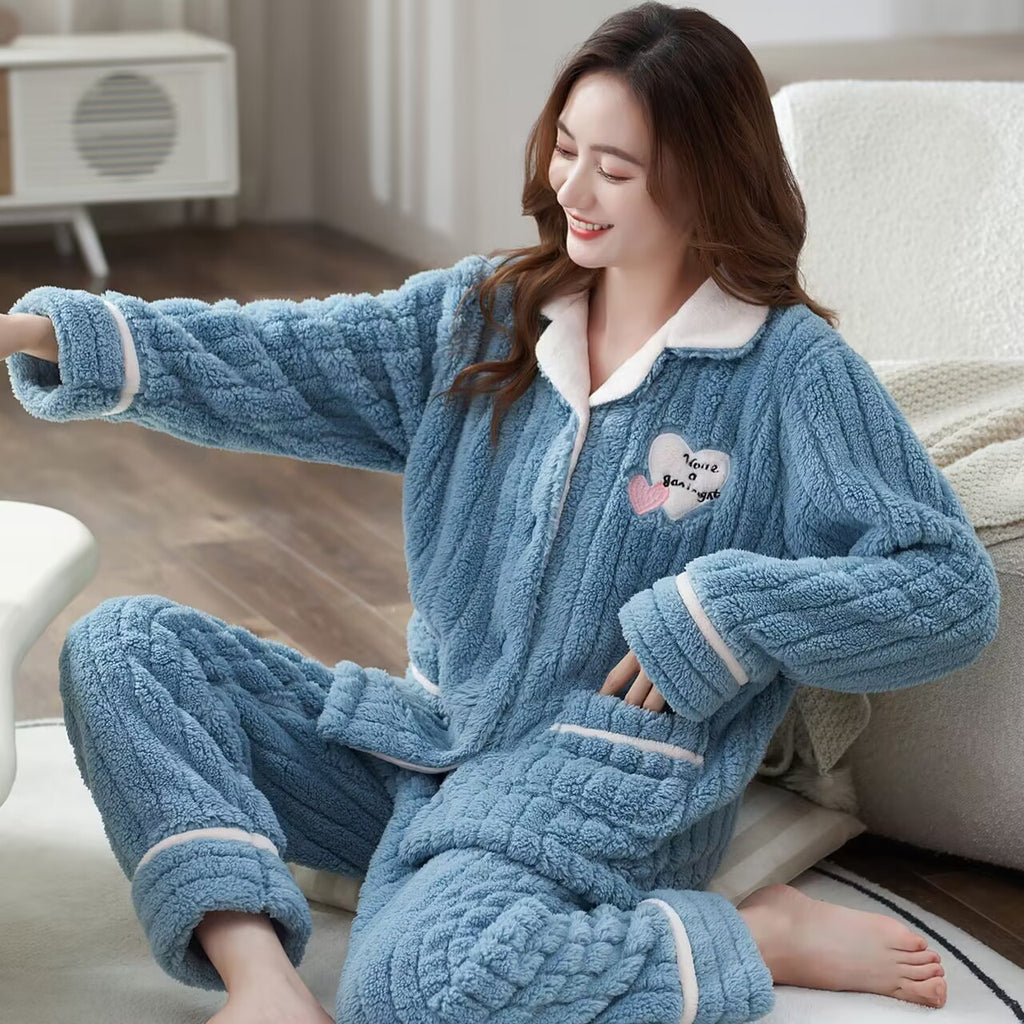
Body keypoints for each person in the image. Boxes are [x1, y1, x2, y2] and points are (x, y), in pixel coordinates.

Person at [0, 4, 997, 1022]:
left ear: (704, 177)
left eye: (614, 168)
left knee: (415, 985)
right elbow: (277, 355)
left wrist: (723, 613)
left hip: (596, 789)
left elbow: (945, 587)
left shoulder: (789, 372)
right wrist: (37, 332)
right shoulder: (487, 314)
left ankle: (746, 934)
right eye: (565, 148)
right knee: (124, 647)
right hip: (424, 744)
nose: (572, 189)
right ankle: (266, 987)